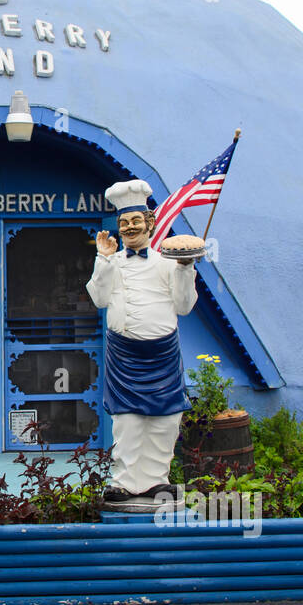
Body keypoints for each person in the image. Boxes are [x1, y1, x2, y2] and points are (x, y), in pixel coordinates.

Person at [86, 179, 197, 507]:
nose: (130, 227)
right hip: (125, 354)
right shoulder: (112, 262)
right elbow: (99, 297)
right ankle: (124, 483)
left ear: (149, 224)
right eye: (123, 223)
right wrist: (103, 260)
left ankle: (156, 482)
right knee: (128, 422)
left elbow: (184, 305)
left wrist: (186, 268)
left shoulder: (167, 264)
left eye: (135, 221)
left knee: (164, 423)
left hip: (162, 354)